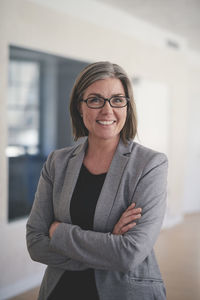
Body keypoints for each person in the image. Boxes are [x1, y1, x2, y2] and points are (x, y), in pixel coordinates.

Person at [26, 61, 168, 300]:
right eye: (95, 100)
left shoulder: (150, 164)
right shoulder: (57, 162)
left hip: (124, 292)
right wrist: (109, 243)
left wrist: (60, 233)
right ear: (80, 108)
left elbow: (129, 254)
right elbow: (35, 242)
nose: (107, 110)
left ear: (127, 107)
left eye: (117, 99)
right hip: (61, 291)